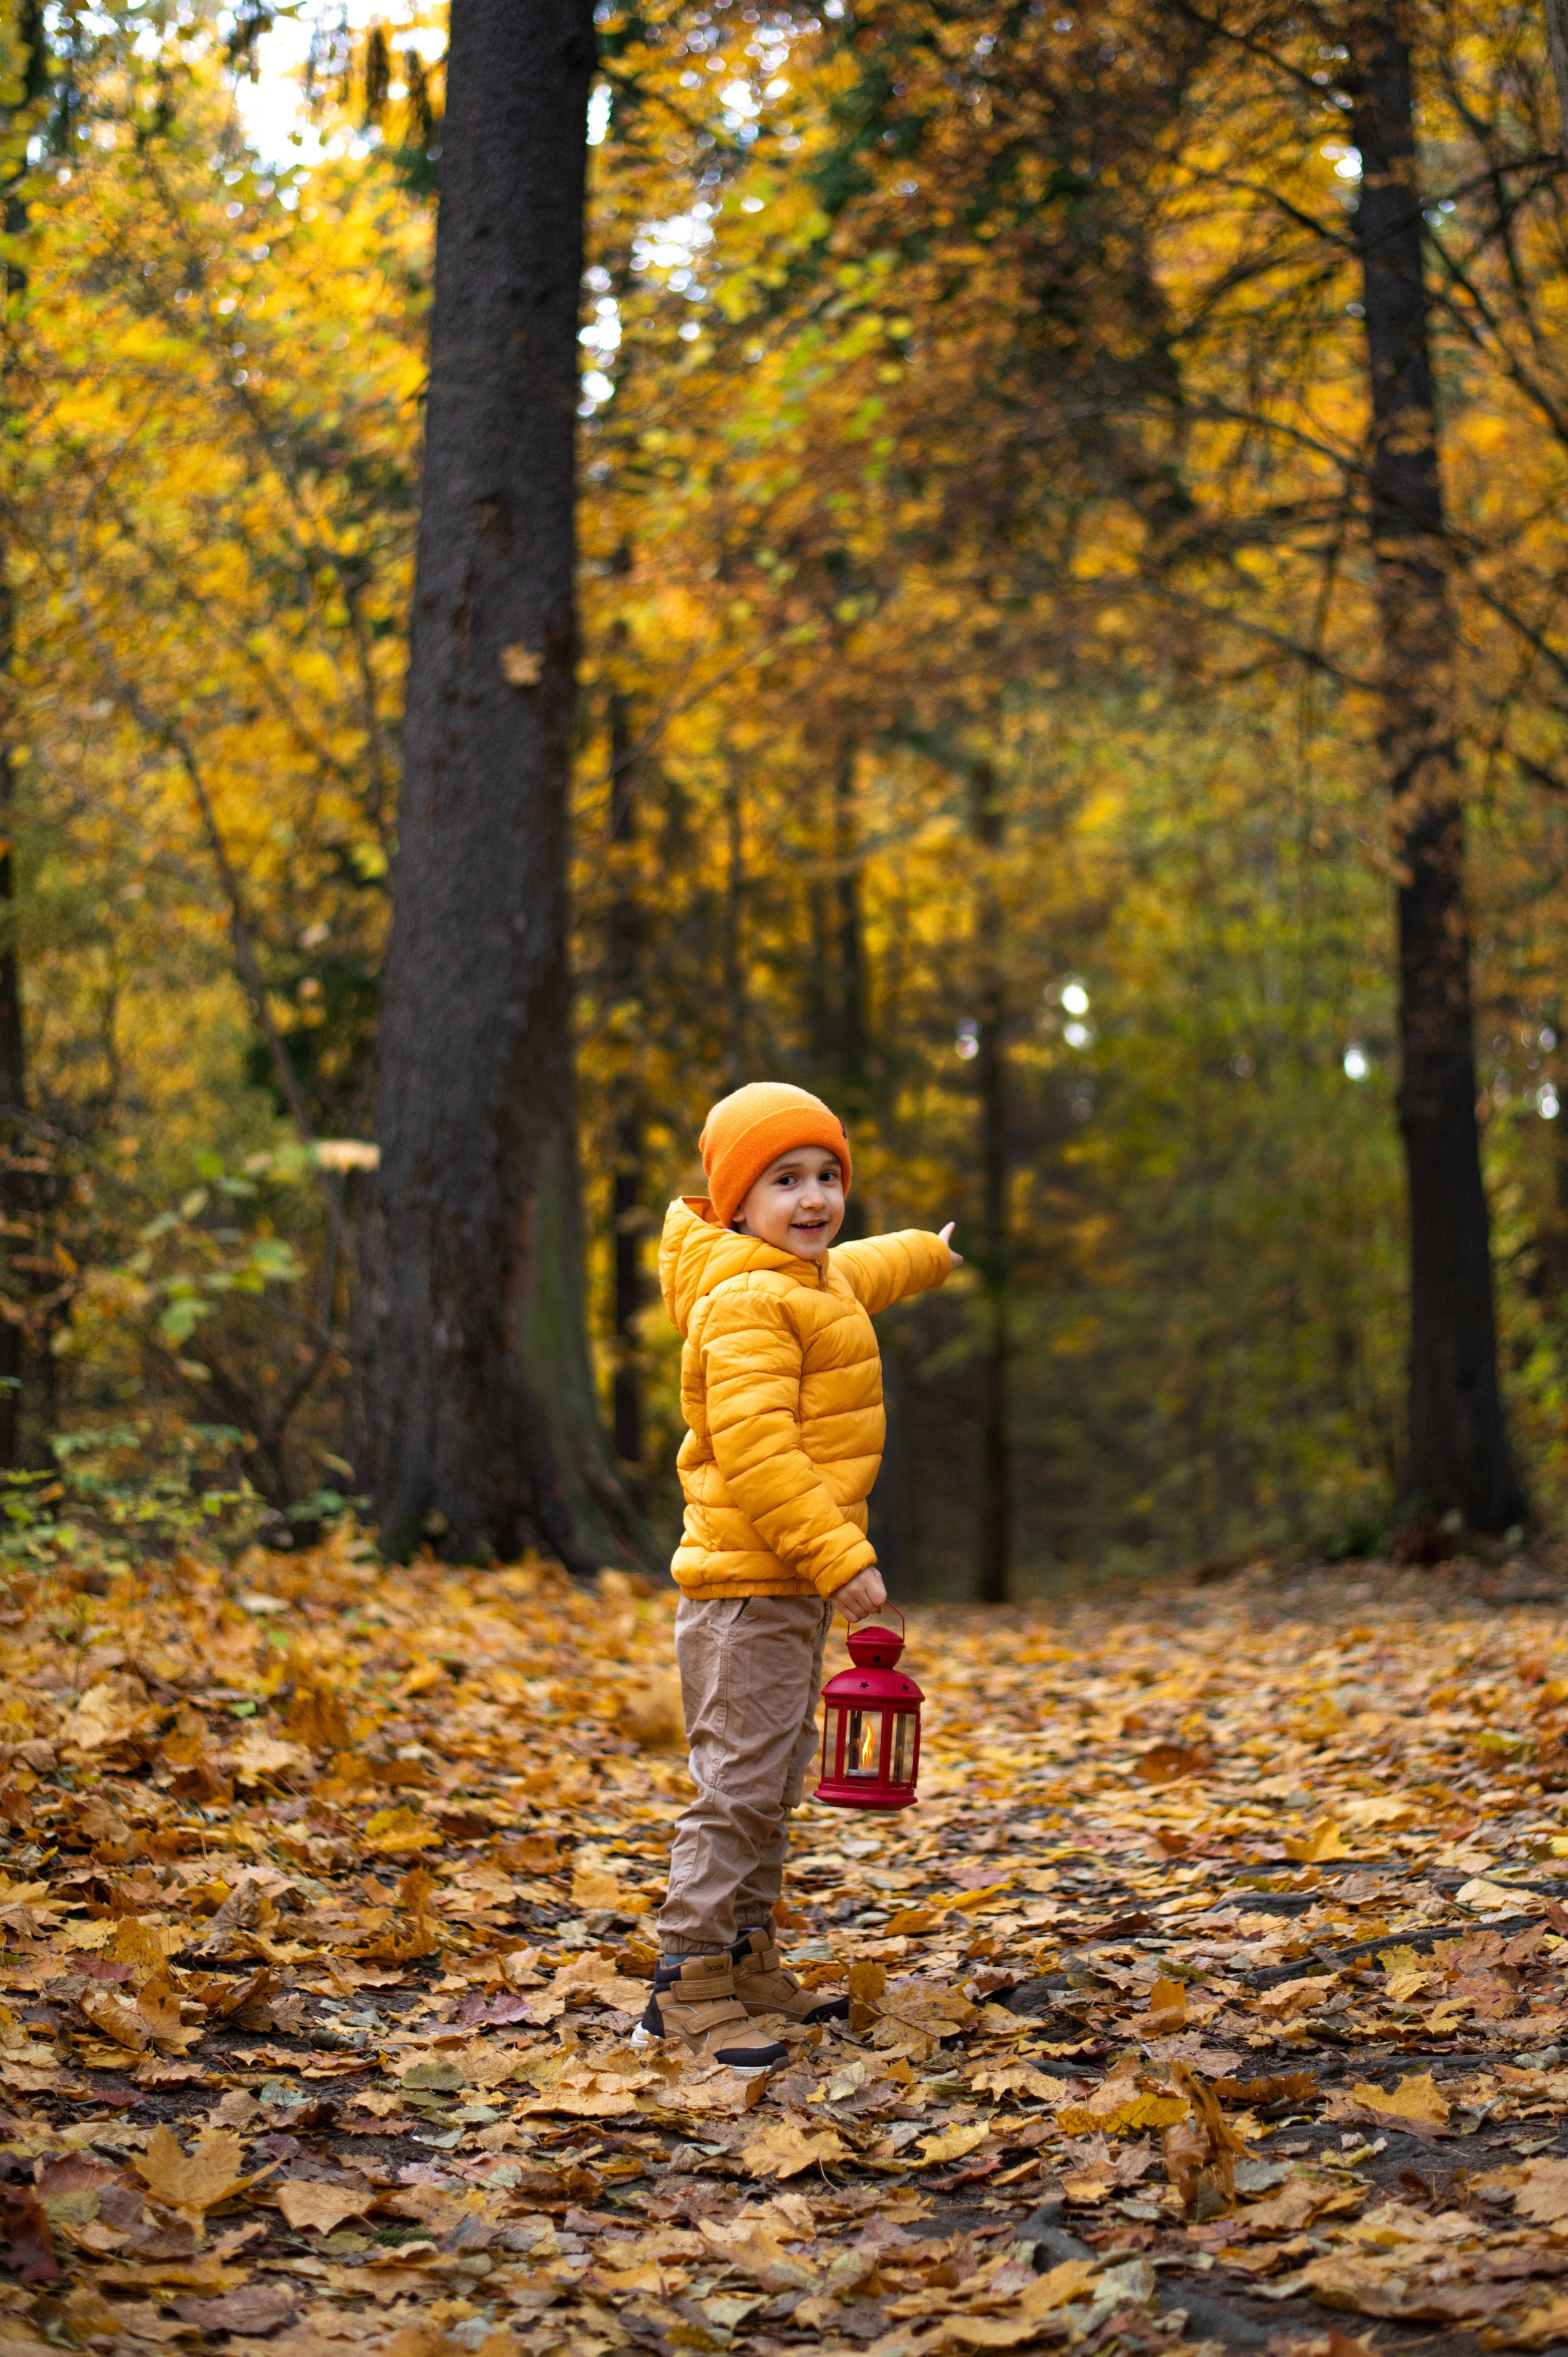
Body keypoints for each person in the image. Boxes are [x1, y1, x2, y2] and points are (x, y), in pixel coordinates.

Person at [634, 1080, 962, 2075]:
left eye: (827, 1176)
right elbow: (758, 1453)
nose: (814, 1198)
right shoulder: (747, 1302)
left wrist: (932, 1252)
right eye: (785, 1180)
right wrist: (840, 1557)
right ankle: (685, 1986)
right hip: (747, 1589)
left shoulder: (810, 1277)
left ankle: (744, 1960)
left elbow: (871, 1265)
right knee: (736, 1787)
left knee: (772, 1782)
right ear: (737, 1204)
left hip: (781, 1590)